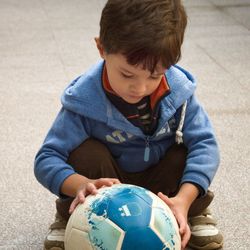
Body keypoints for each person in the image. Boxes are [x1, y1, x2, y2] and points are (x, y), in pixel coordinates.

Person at [34, 0, 223, 249]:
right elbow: (46, 158)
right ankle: (72, 214)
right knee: (85, 153)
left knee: (185, 151)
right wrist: (80, 184)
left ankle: (190, 211)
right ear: (101, 49)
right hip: (106, 188)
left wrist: (184, 199)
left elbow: (206, 146)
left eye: (155, 76)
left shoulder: (179, 93)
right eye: (127, 74)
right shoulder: (83, 101)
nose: (140, 88)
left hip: (163, 190)